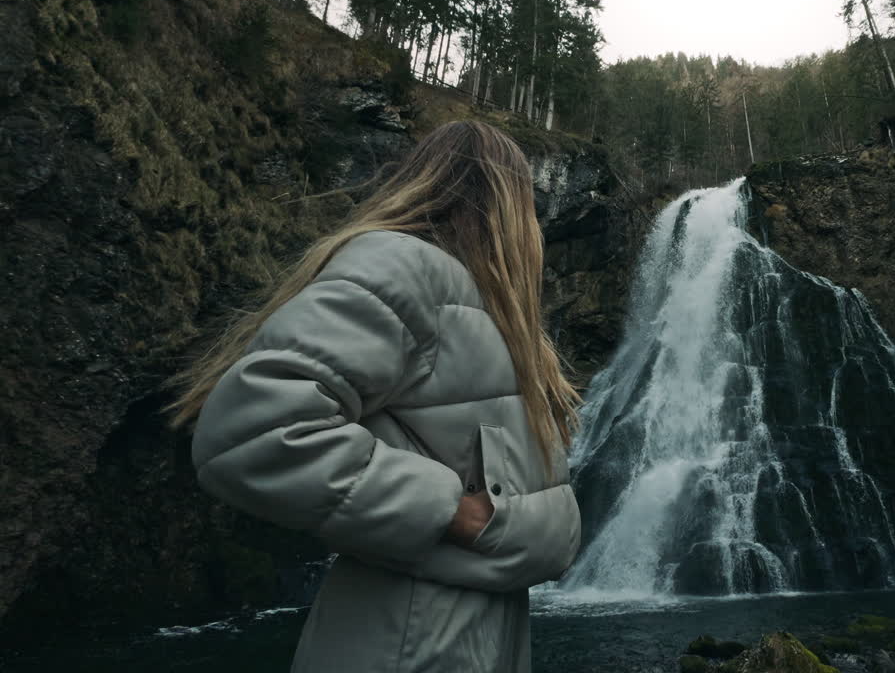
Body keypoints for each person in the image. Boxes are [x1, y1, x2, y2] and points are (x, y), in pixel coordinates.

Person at [168, 120, 583, 672]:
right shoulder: (404, 268)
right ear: (506, 204)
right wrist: (454, 513)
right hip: (405, 642)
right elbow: (250, 428)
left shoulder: (485, 310)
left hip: (467, 636)